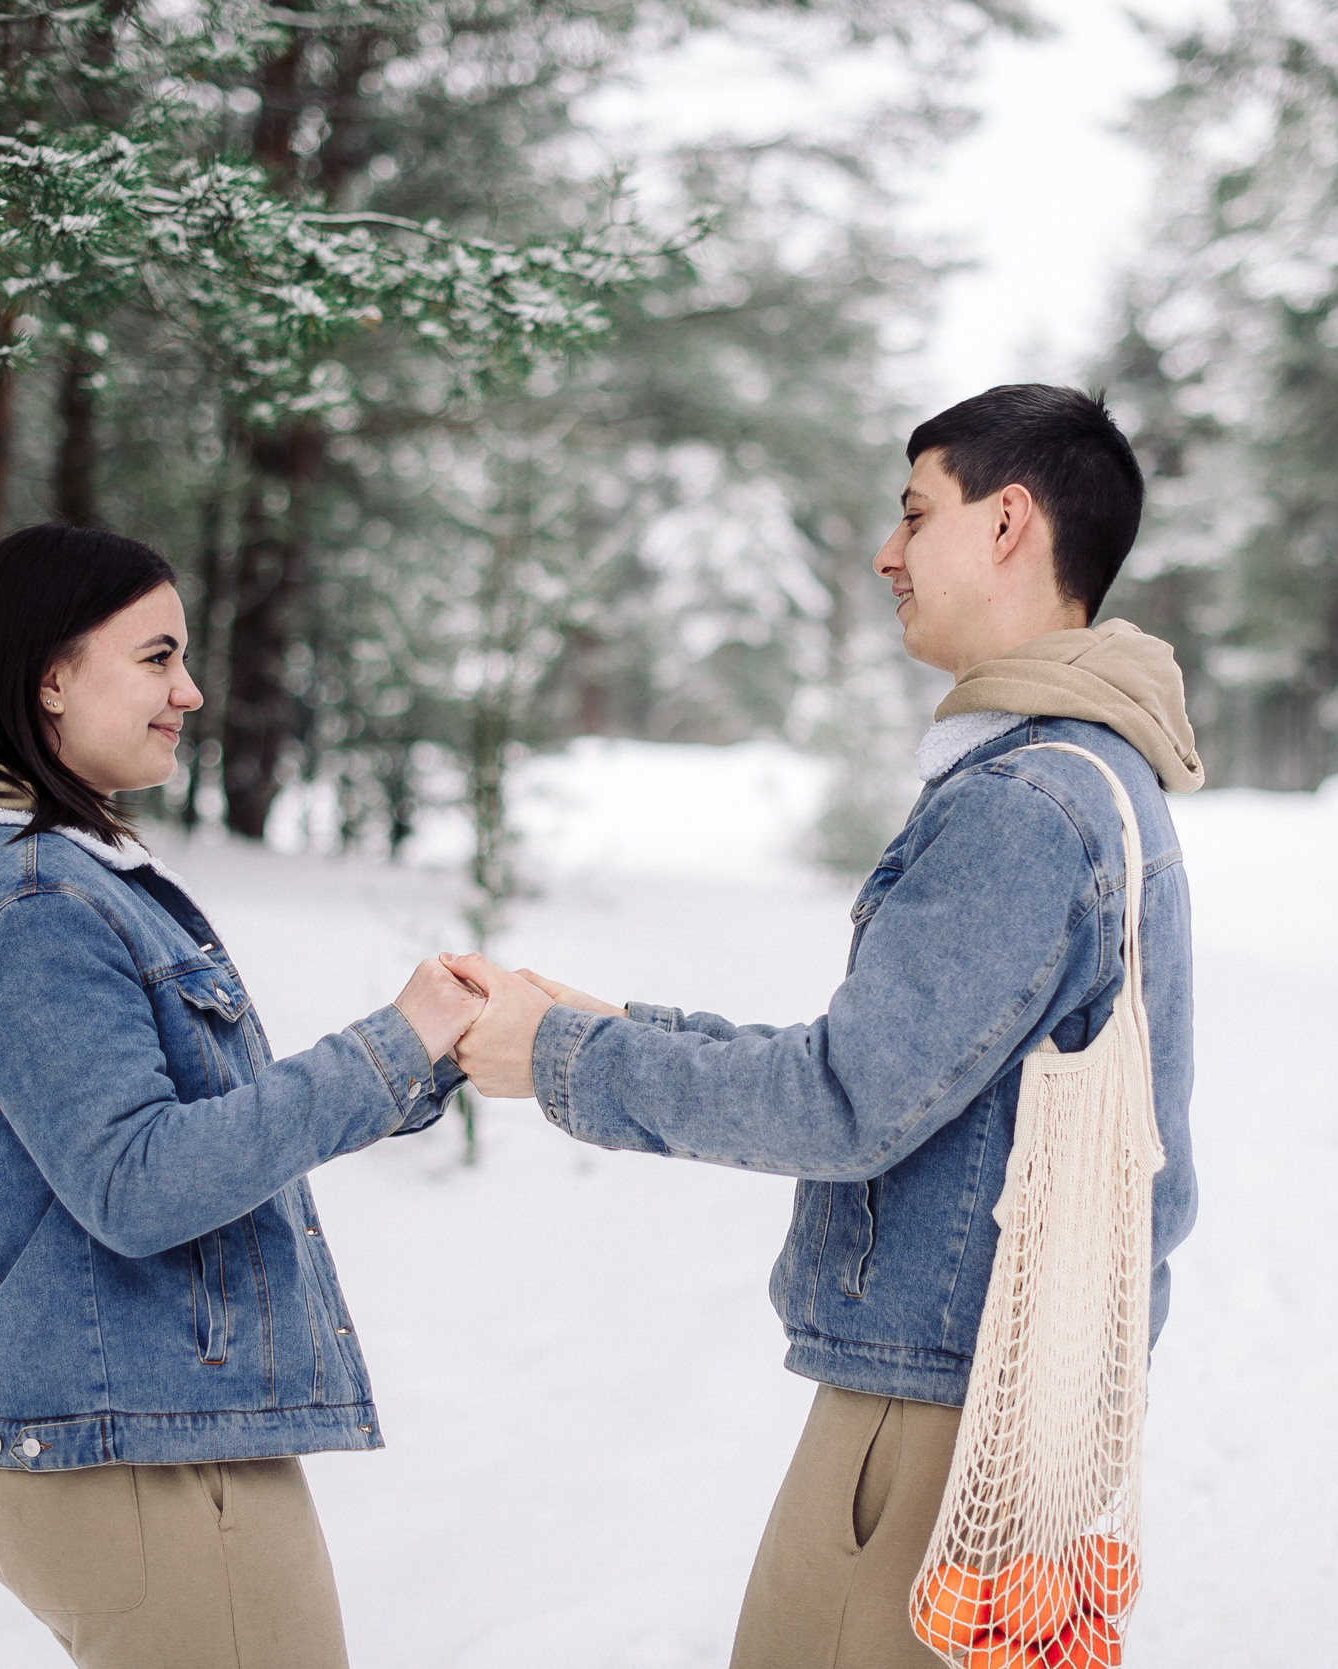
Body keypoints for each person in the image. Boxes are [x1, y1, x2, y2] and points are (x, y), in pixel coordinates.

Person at [448, 385, 1203, 1669]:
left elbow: (846, 1103)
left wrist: (567, 1062)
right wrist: (625, 1023)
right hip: (1002, 1384)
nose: (887, 552)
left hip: (935, 1410)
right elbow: (912, 1070)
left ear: (1010, 522)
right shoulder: (1090, 770)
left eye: (917, 512)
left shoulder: (1023, 801)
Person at [0, 524, 482, 1669]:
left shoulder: (59, 873)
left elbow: (191, 1131)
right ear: (51, 675)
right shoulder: (35, 897)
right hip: (141, 1465)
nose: (189, 692)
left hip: (146, 1446)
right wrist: (383, 1047)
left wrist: (421, 1060)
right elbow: (137, 1183)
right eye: (156, 657)